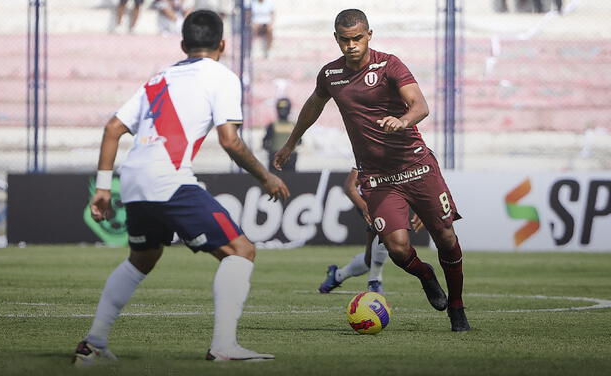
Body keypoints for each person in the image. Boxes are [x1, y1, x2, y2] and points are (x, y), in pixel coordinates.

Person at [73, 10, 290, 366]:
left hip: (133, 178)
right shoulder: (222, 77)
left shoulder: (159, 78)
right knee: (241, 250)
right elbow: (230, 141)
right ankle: (224, 347)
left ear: (183, 44)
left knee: (143, 258)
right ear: (223, 44)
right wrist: (265, 176)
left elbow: (113, 128)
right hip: (169, 178)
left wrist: (102, 188)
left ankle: (94, 343)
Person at [274, 9, 470, 332]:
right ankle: (425, 275)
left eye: (357, 38)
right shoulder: (330, 75)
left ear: (369, 35)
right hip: (377, 178)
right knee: (396, 248)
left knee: (446, 237)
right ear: (336, 39)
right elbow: (313, 105)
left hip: (417, 166)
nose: (351, 46)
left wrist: (403, 120)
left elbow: (420, 105)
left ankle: (457, 307)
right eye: (345, 40)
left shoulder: (389, 65)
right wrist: (291, 142)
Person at [318, 168, 424, 295]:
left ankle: (337, 275)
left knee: (369, 260)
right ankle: (374, 281)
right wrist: (364, 207)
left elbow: (415, 181)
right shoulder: (369, 151)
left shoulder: (403, 155)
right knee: (387, 229)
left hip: (387, 200)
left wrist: (421, 207)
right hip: (368, 201)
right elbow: (349, 186)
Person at [262, 98, 297, 171]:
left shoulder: (273, 125)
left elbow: (265, 142)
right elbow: (299, 142)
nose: (283, 111)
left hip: (285, 157)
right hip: (278, 157)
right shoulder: (293, 125)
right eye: (281, 109)